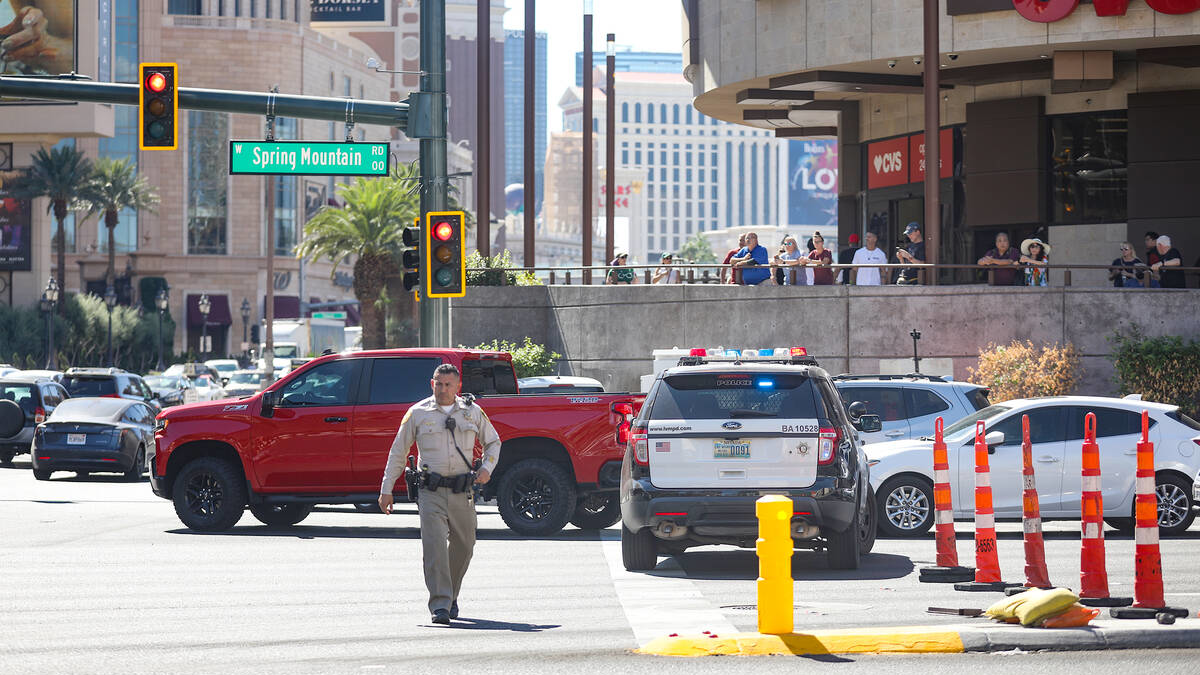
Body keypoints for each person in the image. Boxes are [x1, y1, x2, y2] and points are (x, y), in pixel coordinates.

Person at [379, 363, 502, 625]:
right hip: (430, 491)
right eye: (438, 383)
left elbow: (493, 441)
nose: (442, 389)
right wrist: (386, 489)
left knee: (465, 545)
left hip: (462, 490)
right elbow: (398, 452)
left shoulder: (472, 411)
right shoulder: (417, 413)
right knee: (434, 547)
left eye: (448, 385)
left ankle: (451, 594)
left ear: (458, 387)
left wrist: (488, 469)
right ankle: (440, 604)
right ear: (431, 383)